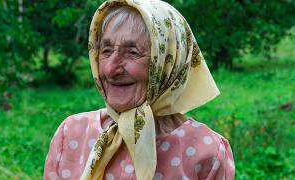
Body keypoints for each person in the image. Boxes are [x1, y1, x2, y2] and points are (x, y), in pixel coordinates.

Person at [44, 0, 235, 179]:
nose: (110, 69)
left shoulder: (206, 153)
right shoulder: (71, 133)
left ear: (167, 63)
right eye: (106, 50)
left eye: (132, 52)